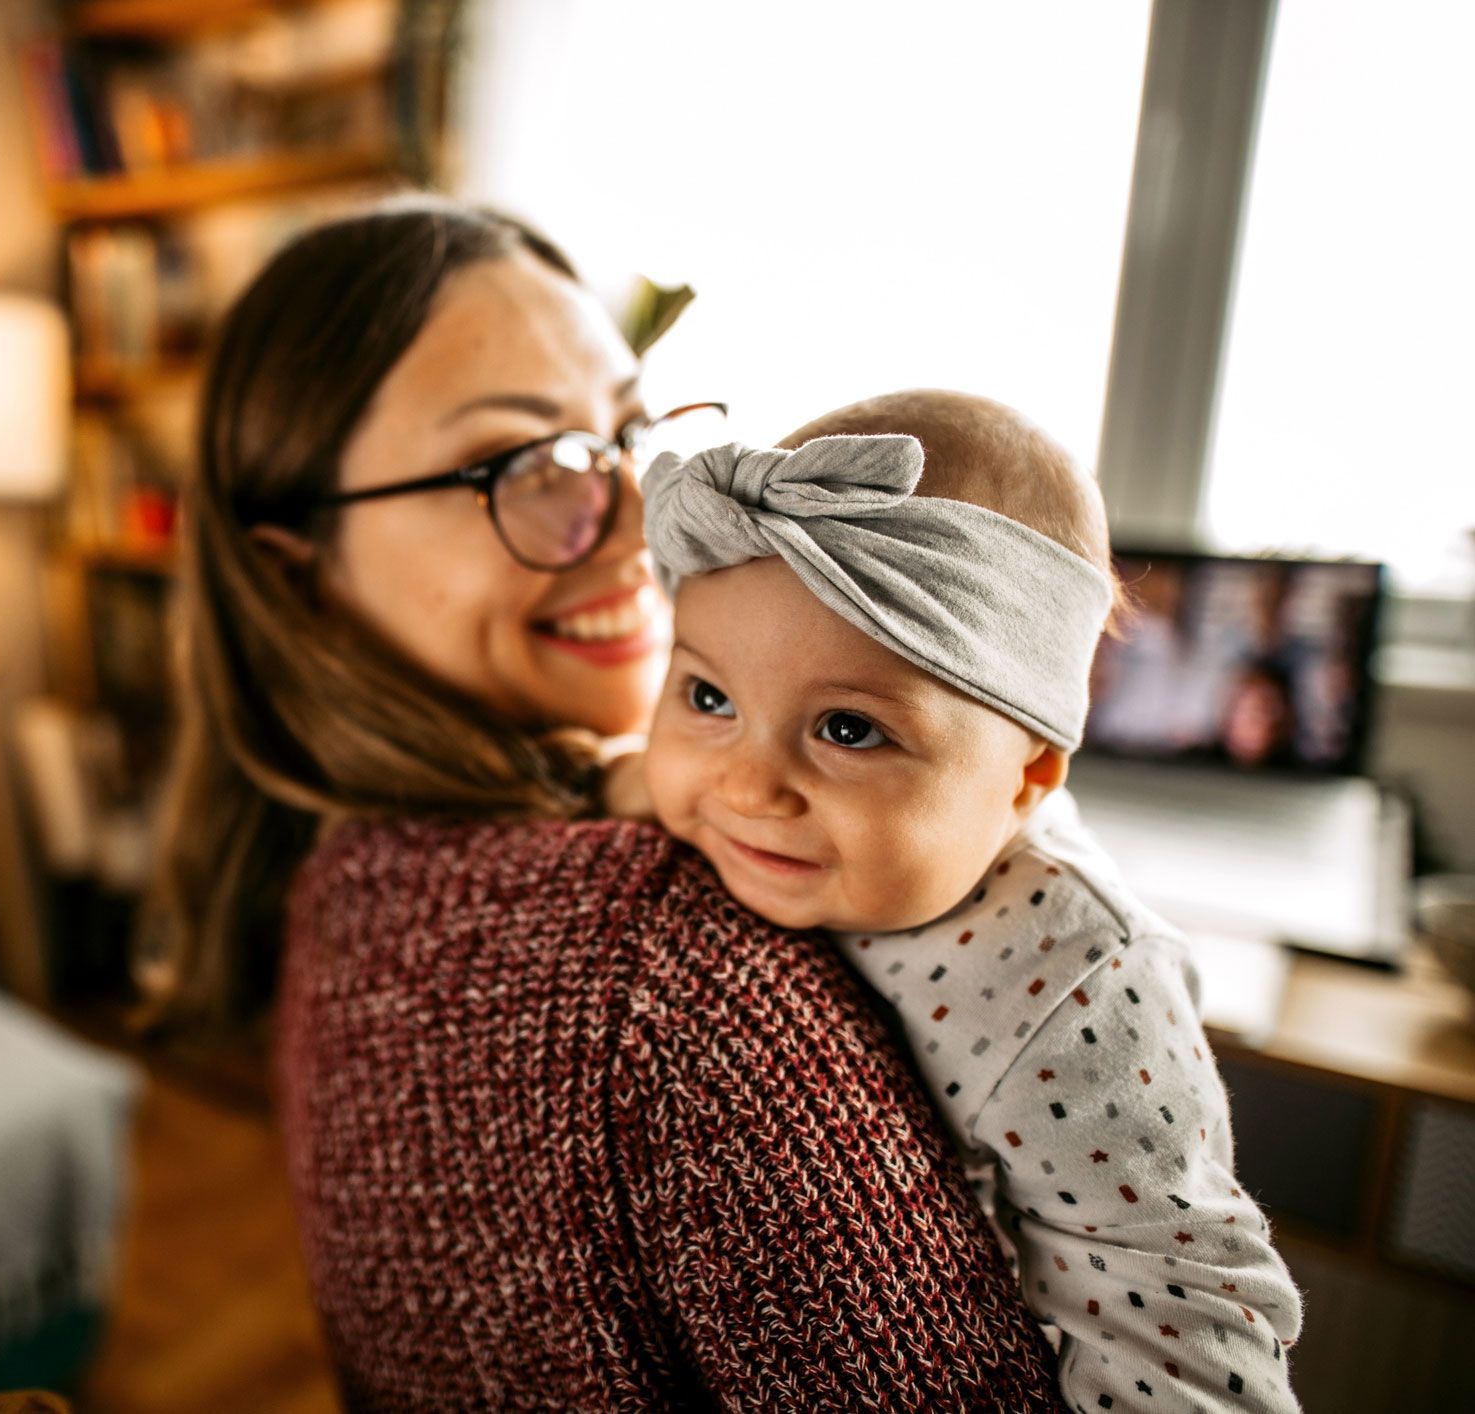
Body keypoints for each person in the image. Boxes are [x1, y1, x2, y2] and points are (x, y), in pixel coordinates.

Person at [150, 198, 1062, 1408]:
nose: (644, 525)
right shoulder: (665, 969)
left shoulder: (338, 883)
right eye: (529, 466)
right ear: (298, 573)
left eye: (628, 438)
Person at [622, 390, 1304, 1412]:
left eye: (848, 729)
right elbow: (627, 782)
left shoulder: (1075, 981)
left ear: (1027, 776)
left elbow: (1183, 1319)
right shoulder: (729, 806)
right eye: (710, 697)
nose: (746, 788)